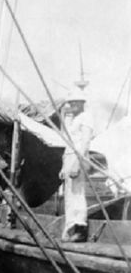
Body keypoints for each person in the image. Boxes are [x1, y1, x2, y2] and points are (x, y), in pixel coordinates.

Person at [58, 88, 96, 242]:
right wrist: (64, 166)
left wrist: (77, 164)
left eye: (75, 102)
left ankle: (80, 229)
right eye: (70, 103)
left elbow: (85, 143)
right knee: (69, 195)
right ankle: (70, 227)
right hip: (69, 158)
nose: (72, 105)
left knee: (77, 193)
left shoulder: (87, 117)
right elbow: (69, 143)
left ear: (81, 103)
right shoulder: (73, 119)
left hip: (78, 158)